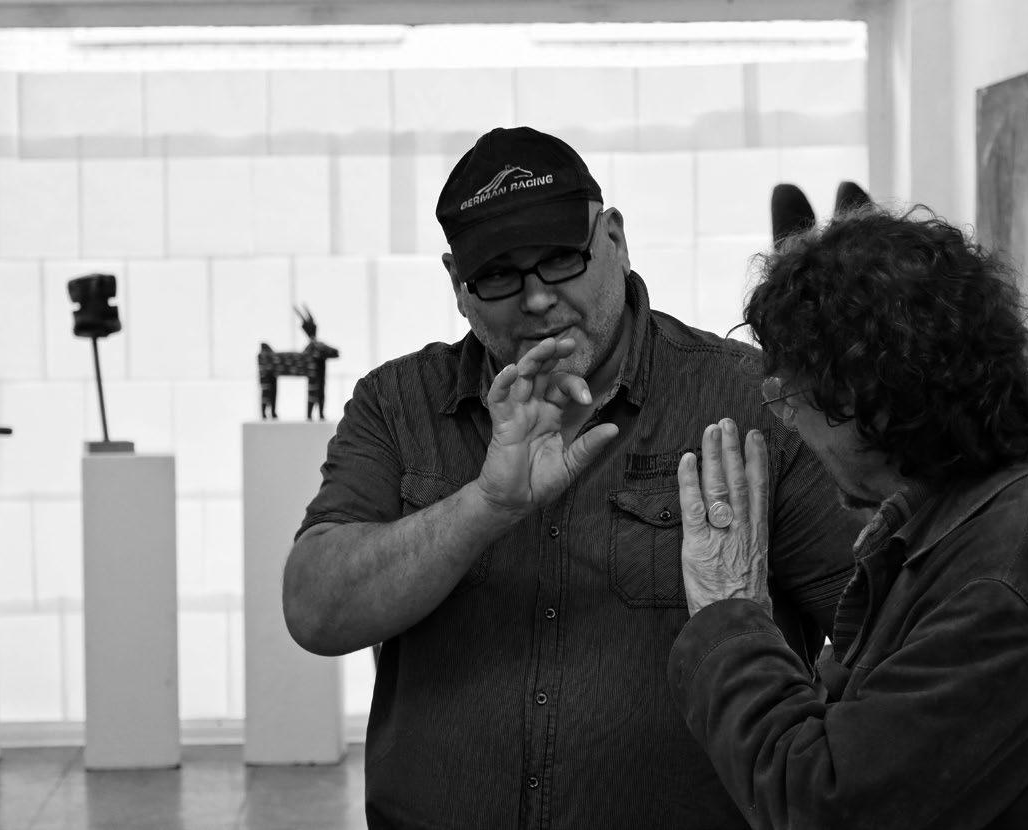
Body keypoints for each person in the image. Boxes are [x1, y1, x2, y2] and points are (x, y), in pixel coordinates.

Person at [281, 126, 863, 829]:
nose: (536, 299)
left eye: (561, 259)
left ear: (614, 239)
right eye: (499, 275)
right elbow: (315, 611)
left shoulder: (752, 403)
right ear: (457, 285)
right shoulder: (399, 405)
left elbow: (879, 628)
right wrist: (484, 505)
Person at [669, 207, 1028, 829]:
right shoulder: (978, 522)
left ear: (870, 406)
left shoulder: (1002, 590)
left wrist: (728, 615)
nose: (784, 418)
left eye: (790, 396)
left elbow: (822, 802)